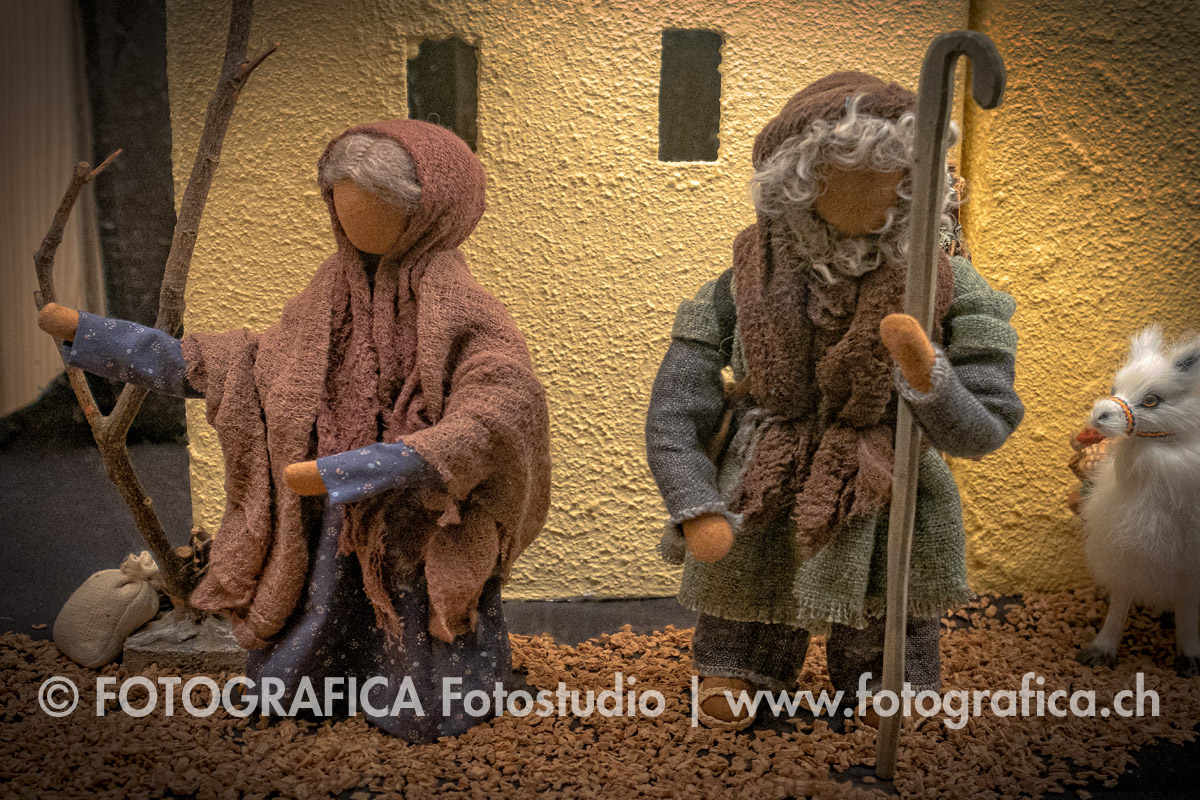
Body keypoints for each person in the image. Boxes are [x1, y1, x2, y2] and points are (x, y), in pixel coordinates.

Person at [39, 119, 552, 742]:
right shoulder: (329, 290)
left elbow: (501, 402)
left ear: (431, 212)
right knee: (324, 599)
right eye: (342, 204)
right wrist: (96, 335)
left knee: (414, 607)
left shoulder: (463, 306)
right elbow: (252, 364)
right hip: (327, 507)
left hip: (416, 508)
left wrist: (372, 466)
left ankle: (426, 701)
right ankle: (315, 689)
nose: (353, 223)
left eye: (377, 207)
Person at [644, 72, 1023, 729]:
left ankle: (889, 675)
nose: (866, 193)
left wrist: (929, 376)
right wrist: (694, 500)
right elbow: (678, 402)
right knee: (749, 573)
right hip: (764, 465)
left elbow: (983, 425)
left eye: (889, 176)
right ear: (794, 182)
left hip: (889, 471)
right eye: (838, 175)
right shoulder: (744, 280)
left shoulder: (947, 284)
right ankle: (738, 662)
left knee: (888, 585)